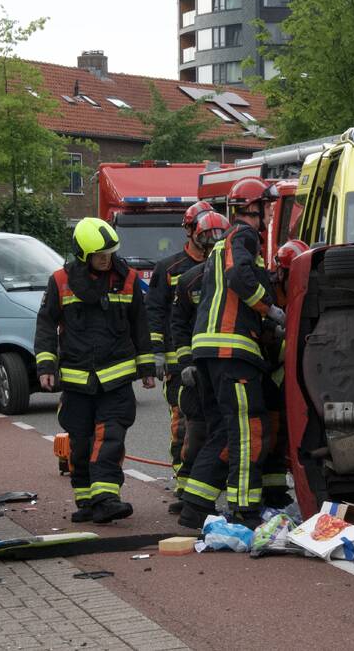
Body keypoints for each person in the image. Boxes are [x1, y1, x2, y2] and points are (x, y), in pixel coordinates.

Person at [34, 217, 156, 524]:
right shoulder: (60, 281)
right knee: (80, 442)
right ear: (83, 254)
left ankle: (106, 497)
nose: (107, 259)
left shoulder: (127, 279)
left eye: (110, 253)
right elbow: (46, 324)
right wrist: (46, 365)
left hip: (116, 378)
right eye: (100, 255)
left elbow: (140, 324)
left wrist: (147, 366)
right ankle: (87, 500)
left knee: (111, 436)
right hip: (76, 381)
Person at [178, 177, 283, 530]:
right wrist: (271, 309)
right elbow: (240, 276)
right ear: (253, 208)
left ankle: (194, 506)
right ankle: (244, 509)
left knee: (224, 432)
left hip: (209, 352)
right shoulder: (244, 236)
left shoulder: (221, 244)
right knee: (249, 430)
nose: (271, 212)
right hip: (232, 351)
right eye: (267, 206)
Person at [146, 200, 214, 512]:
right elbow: (155, 312)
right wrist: (157, 353)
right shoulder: (169, 269)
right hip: (178, 362)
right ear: (190, 230)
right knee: (183, 425)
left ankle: (204, 482)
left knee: (211, 424)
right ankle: (184, 485)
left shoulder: (219, 265)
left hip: (211, 361)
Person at [169, 211, 230, 515]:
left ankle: (208, 496)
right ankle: (189, 493)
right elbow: (178, 325)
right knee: (195, 434)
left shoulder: (234, 277)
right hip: (197, 371)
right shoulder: (189, 280)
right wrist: (185, 363)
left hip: (226, 365)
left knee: (226, 431)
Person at [259, 238, 310, 508]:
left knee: (284, 432)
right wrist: (276, 332)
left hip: (289, 368)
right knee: (269, 430)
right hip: (266, 368)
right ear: (281, 272)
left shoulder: (306, 287)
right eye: (291, 274)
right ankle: (267, 489)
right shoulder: (267, 291)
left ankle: (276, 489)